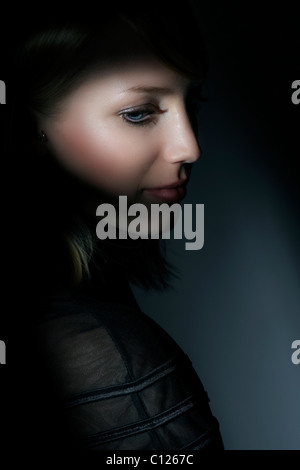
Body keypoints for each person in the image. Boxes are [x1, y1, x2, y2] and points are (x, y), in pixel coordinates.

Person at [5, 2, 224, 451]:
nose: (190, 147)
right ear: (31, 129)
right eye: (139, 113)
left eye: (191, 103)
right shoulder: (104, 355)